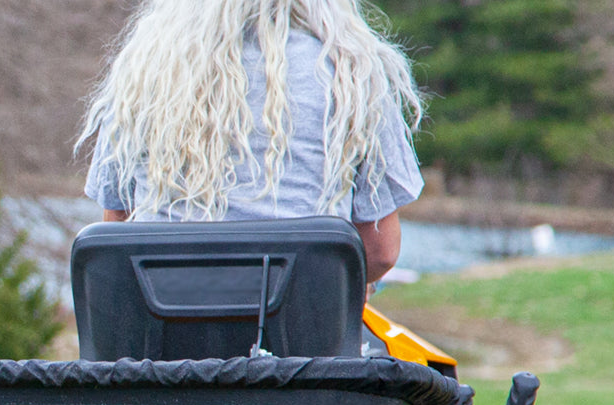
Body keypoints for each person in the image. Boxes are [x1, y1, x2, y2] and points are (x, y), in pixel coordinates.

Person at [77, 0, 423, 284]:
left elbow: (117, 234)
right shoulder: (353, 72)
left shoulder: (144, 71)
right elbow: (381, 250)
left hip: (163, 352)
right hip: (300, 352)